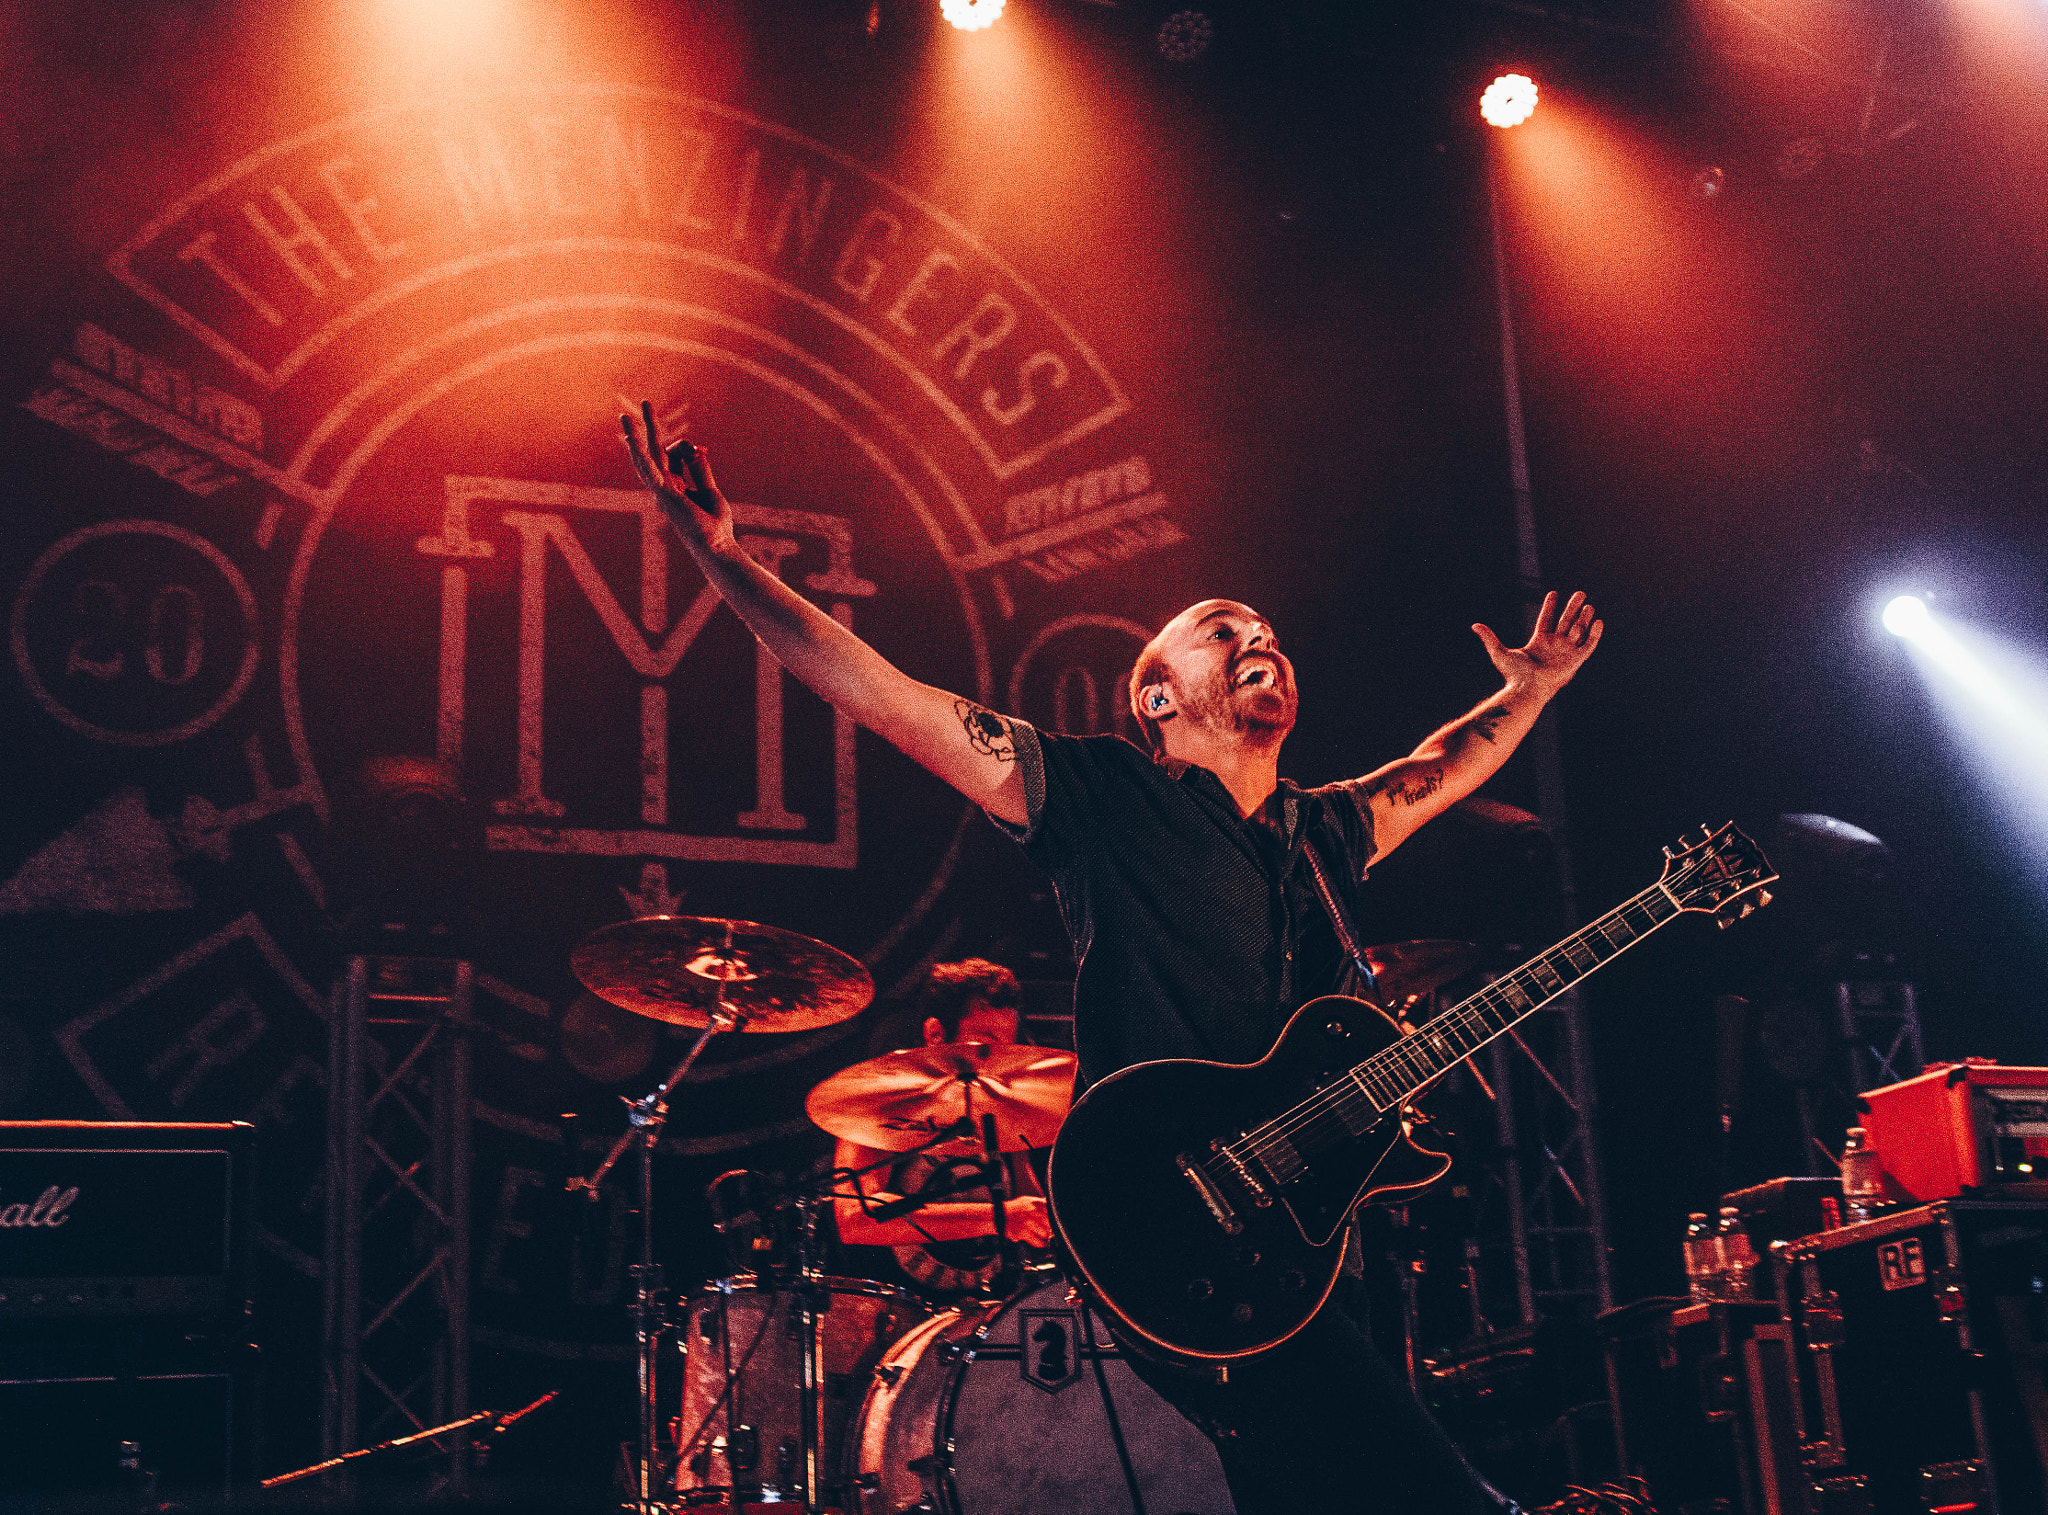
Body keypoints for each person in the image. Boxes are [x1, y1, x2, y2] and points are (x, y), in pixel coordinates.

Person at [621, 404, 1600, 1514]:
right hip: (1176, 1218)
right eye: (1223, 632)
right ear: (1155, 695)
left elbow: (1442, 763)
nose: (1258, 641)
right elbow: (877, 694)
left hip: (1313, 1229)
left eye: (1267, 632)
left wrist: (1528, 690)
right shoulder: (1097, 794)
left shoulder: (1323, 832)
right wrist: (722, 558)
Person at [830, 958, 1054, 1299]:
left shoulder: (1002, 1105)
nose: (1000, 1059)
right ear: (935, 1033)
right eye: (985, 1042)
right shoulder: (880, 1099)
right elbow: (855, 1218)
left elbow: (1030, 1215)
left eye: (1008, 1046)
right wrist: (999, 1217)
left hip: (989, 1317)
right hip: (896, 1317)